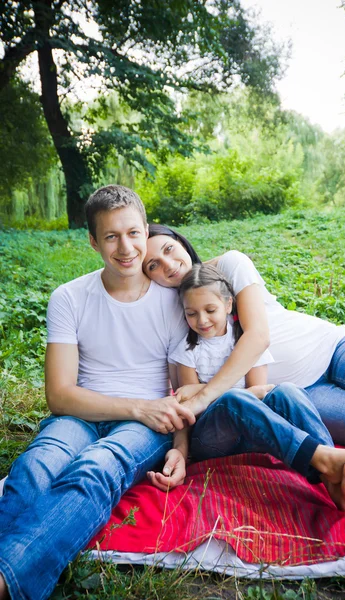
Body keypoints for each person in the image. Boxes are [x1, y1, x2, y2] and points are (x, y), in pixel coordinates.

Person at [0, 186, 198, 600]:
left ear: (146, 231)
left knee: (95, 469)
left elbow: (183, 387)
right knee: (37, 465)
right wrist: (139, 406)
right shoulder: (69, 298)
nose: (125, 248)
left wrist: (181, 447)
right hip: (81, 413)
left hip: (148, 425)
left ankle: (7, 583)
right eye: (111, 236)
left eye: (133, 233)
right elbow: (60, 395)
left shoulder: (172, 301)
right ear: (93, 241)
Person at [147, 263, 345, 517]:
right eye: (191, 313)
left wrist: (230, 393)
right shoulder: (188, 352)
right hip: (211, 437)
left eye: (210, 310)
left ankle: (336, 480)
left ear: (228, 305)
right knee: (234, 398)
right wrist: (182, 450)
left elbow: (261, 393)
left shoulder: (244, 342)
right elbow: (190, 406)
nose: (202, 320)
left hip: (251, 428)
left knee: (287, 390)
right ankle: (327, 460)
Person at [144, 224, 345, 449]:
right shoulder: (179, 312)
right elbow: (184, 382)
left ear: (180, 241)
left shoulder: (230, 265)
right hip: (298, 392)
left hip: (332, 349)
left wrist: (203, 396)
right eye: (153, 265)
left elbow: (257, 337)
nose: (167, 265)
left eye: (168, 249)